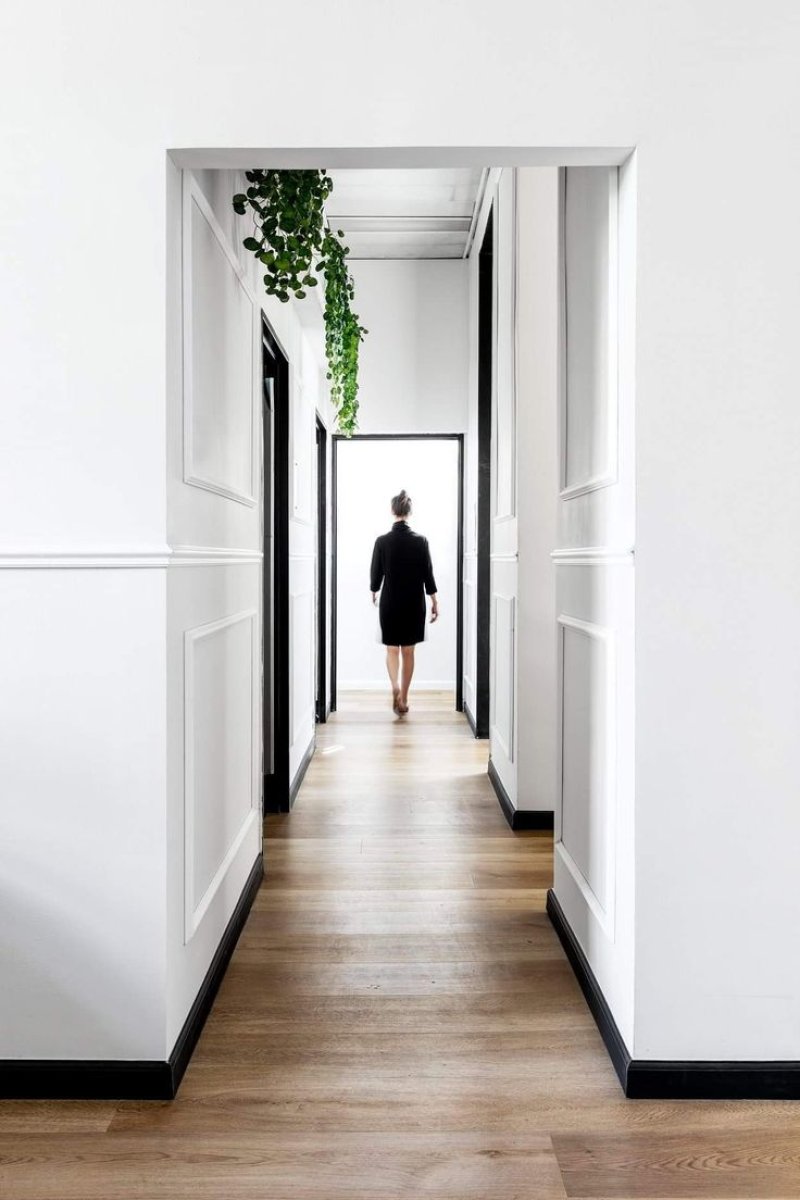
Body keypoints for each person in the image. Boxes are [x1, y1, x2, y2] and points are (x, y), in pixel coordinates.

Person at [370, 489, 439, 716]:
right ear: (409, 512)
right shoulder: (421, 541)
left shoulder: (382, 541)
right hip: (413, 603)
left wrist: (374, 591)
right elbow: (427, 574)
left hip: (390, 601)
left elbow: (376, 573)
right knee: (408, 651)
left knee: (392, 649)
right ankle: (405, 698)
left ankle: (395, 688)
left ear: (393, 511)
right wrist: (434, 601)